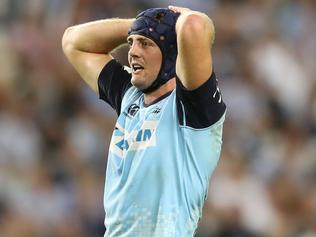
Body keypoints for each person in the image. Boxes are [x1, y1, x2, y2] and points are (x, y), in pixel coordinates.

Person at [62, 5, 226, 237]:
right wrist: (141, 24)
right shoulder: (129, 96)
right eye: (132, 42)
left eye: (146, 44)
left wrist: (176, 21)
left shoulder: (194, 109)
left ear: (171, 53)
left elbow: (194, 26)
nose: (133, 52)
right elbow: (73, 41)